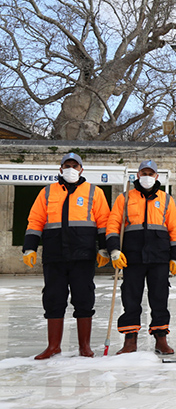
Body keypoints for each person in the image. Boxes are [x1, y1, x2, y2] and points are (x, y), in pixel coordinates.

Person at [23, 153, 111, 359]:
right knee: (53, 299)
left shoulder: (94, 192)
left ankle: (84, 346)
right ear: (61, 169)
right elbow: (35, 220)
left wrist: (103, 248)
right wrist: (30, 248)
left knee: (84, 298)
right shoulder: (47, 192)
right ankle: (53, 346)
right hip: (54, 255)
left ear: (81, 169)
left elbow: (103, 222)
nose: (71, 168)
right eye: (67, 165)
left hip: (83, 254)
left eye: (75, 165)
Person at [106, 160, 176, 355]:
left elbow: (174, 230)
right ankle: (130, 340)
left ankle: (161, 339)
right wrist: (114, 250)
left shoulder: (166, 199)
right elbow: (113, 225)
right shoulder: (124, 198)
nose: (147, 176)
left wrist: (175, 257)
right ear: (137, 175)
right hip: (132, 256)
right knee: (130, 298)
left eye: (151, 173)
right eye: (143, 172)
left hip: (159, 257)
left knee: (159, 298)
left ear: (156, 176)